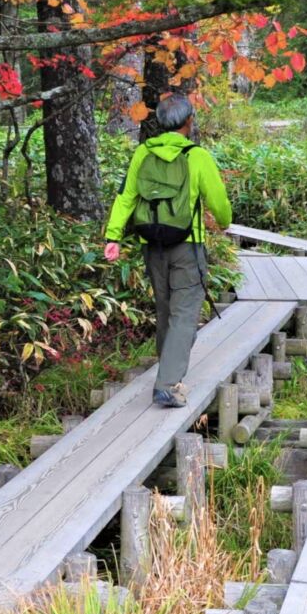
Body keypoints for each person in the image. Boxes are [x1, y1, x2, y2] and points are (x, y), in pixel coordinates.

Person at [103, 95, 232, 408]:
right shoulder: (197, 156)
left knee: (166, 309)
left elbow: (126, 196)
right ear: (189, 122)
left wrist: (113, 236)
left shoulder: (143, 152)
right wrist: (225, 222)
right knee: (185, 313)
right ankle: (167, 384)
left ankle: (168, 368)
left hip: (153, 245)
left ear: (160, 122)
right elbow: (219, 202)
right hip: (187, 245)